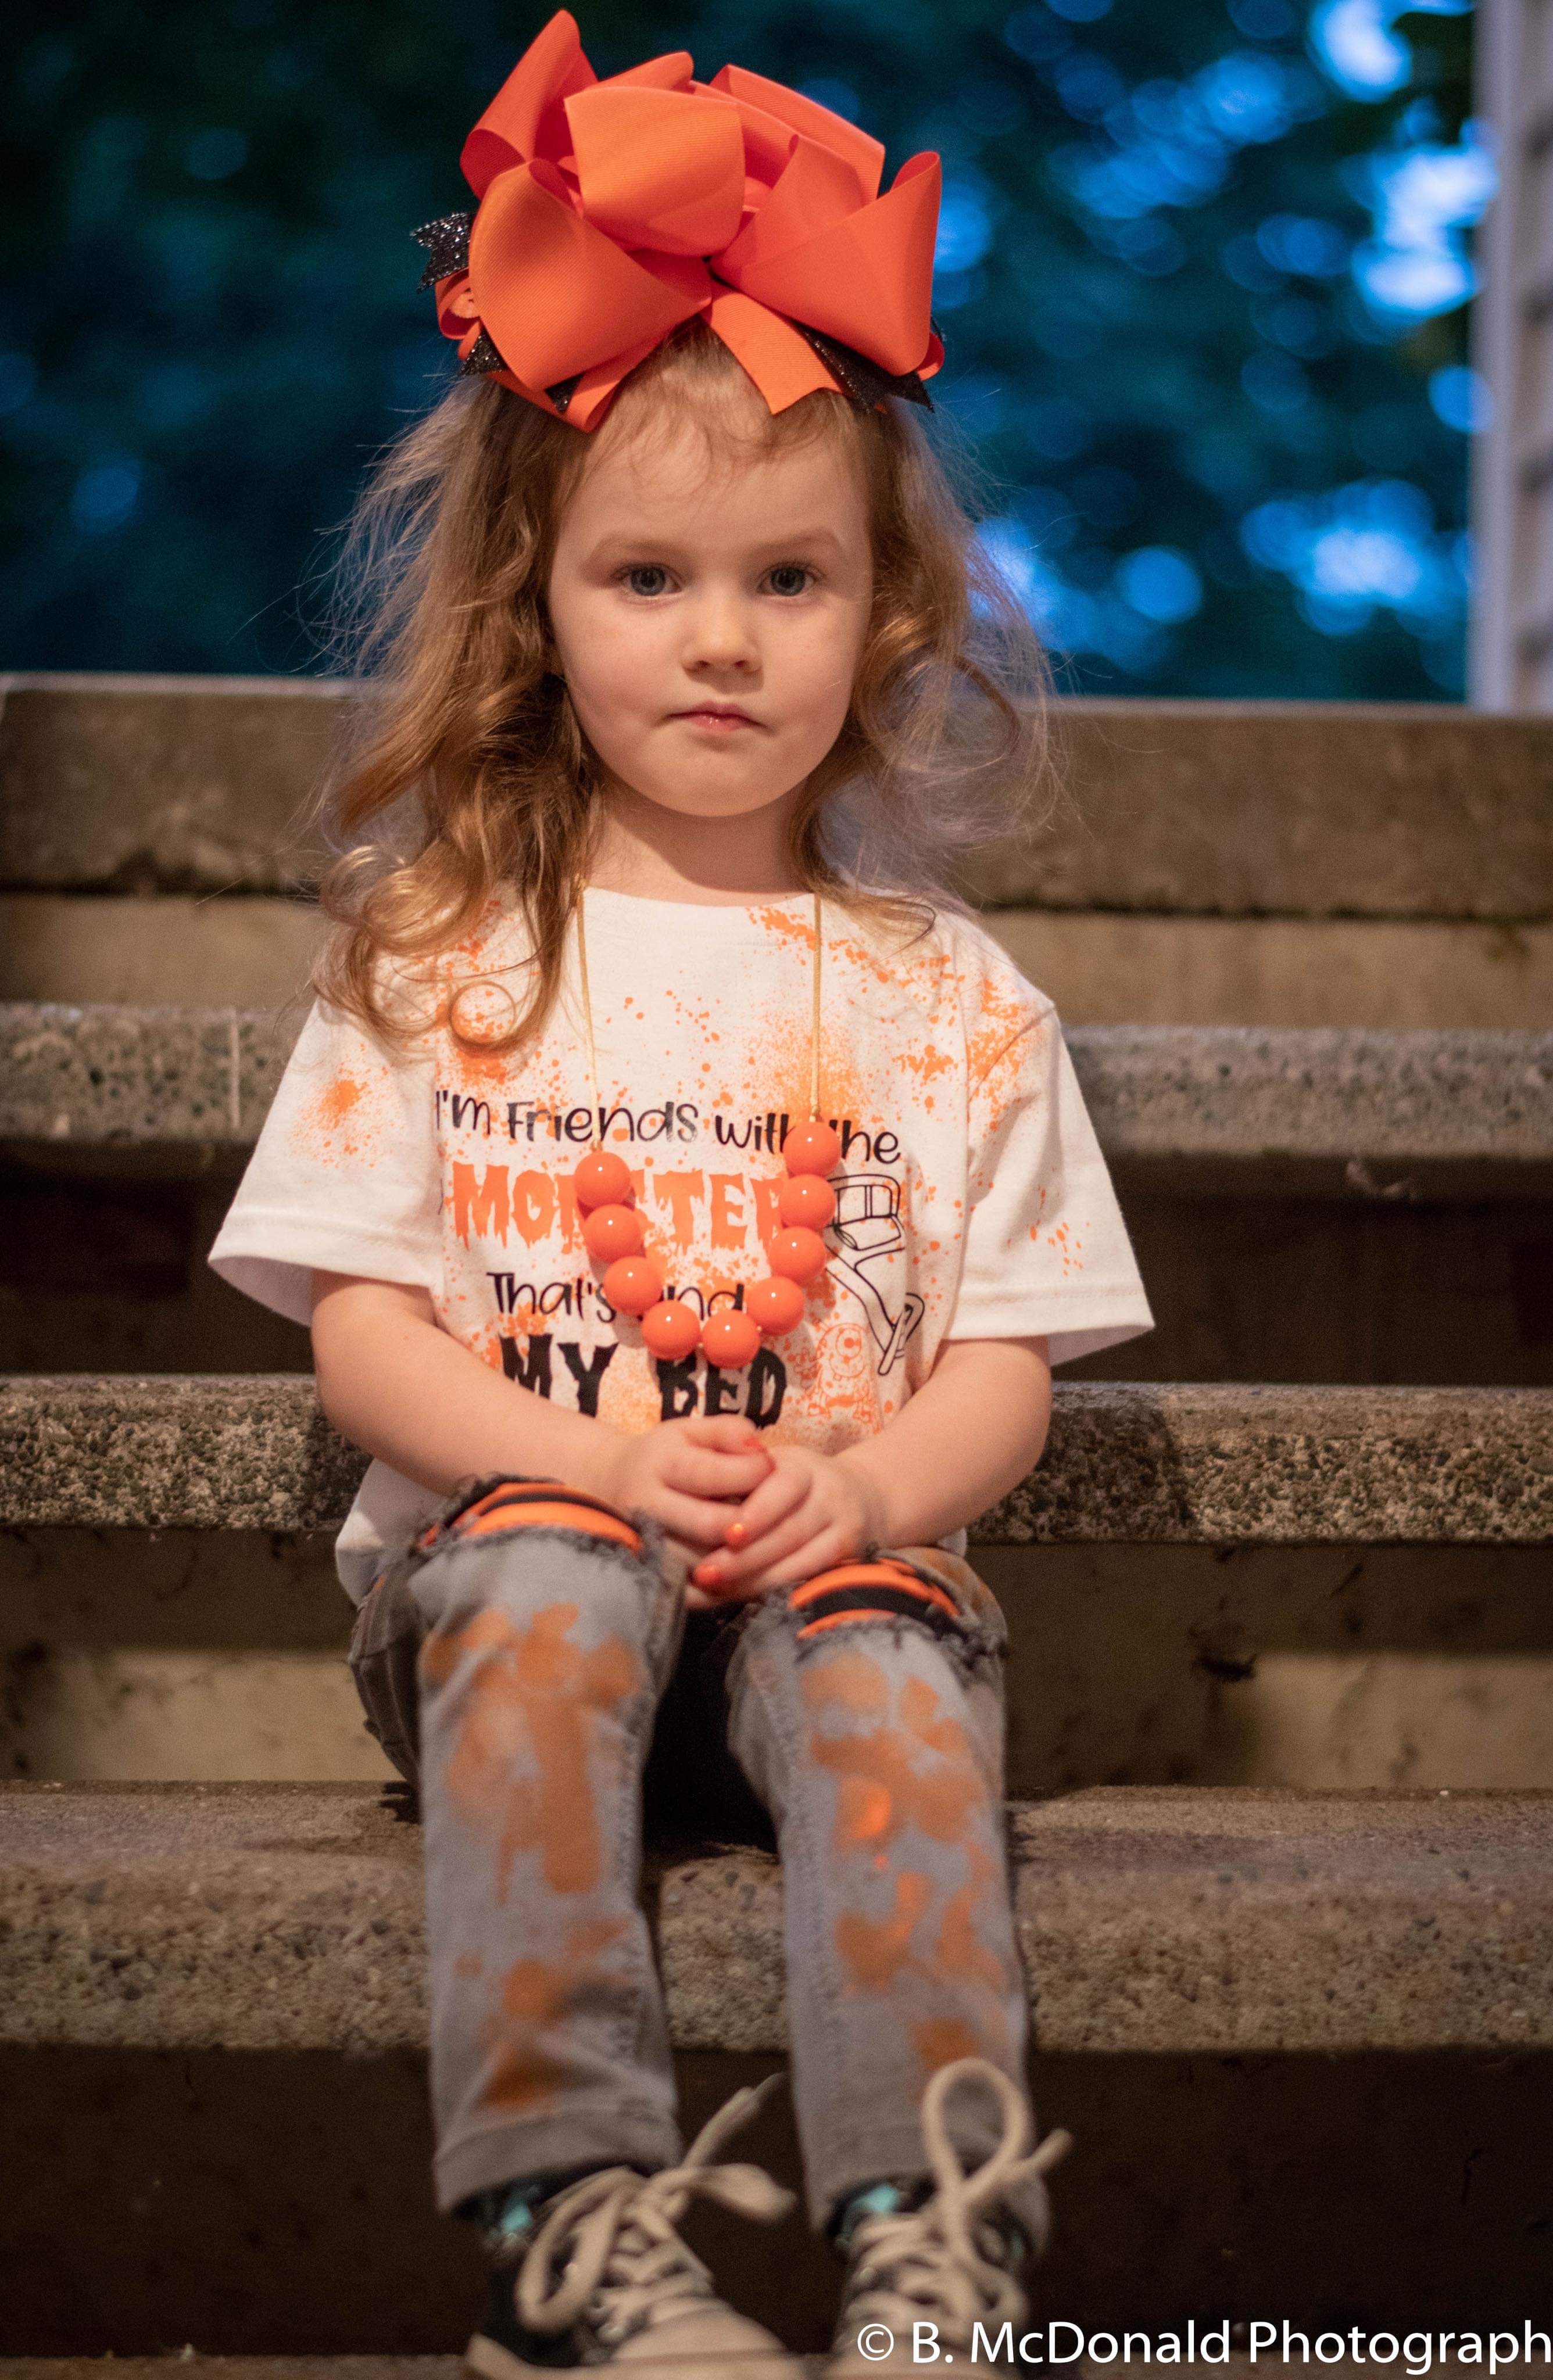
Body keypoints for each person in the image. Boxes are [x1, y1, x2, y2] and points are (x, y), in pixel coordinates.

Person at [210, 13, 1153, 2372]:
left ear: (887, 617)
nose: (718, 639)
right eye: (647, 572)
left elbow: (1008, 1365)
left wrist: (866, 1463)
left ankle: (933, 2240)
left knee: (888, 1656)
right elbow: (360, 1334)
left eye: (786, 581)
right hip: (515, 1578)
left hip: (827, 1577)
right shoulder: (448, 947)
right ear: (541, 602)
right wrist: (591, 1458)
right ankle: (574, 2218)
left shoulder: (946, 999)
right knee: (533, 1572)